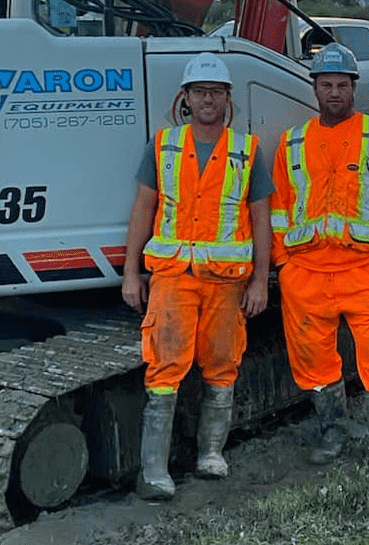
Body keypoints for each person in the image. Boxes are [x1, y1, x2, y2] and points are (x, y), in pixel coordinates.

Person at [122, 52, 271, 500]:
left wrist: (261, 280)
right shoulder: (163, 145)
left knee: (222, 366)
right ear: (185, 99)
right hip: (172, 278)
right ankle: (154, 472)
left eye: (216, 93)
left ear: (228, 101)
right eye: (200, 92)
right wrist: (131, 273)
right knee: (165, 368)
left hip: (227, 281)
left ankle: (211, 454)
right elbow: (143, 209)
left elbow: (261, 219)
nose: (208, 100)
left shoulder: (247, 151)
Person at [269, 42, 369, 466]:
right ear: (314, 89)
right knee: (314, 362)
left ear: (355, 88)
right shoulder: (292, 143)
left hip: (367, 270)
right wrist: (283, 264)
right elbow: (279, 208)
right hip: (307, 274)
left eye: (342, 85)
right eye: (326, 84)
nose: (334, 92)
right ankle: (332, 435)